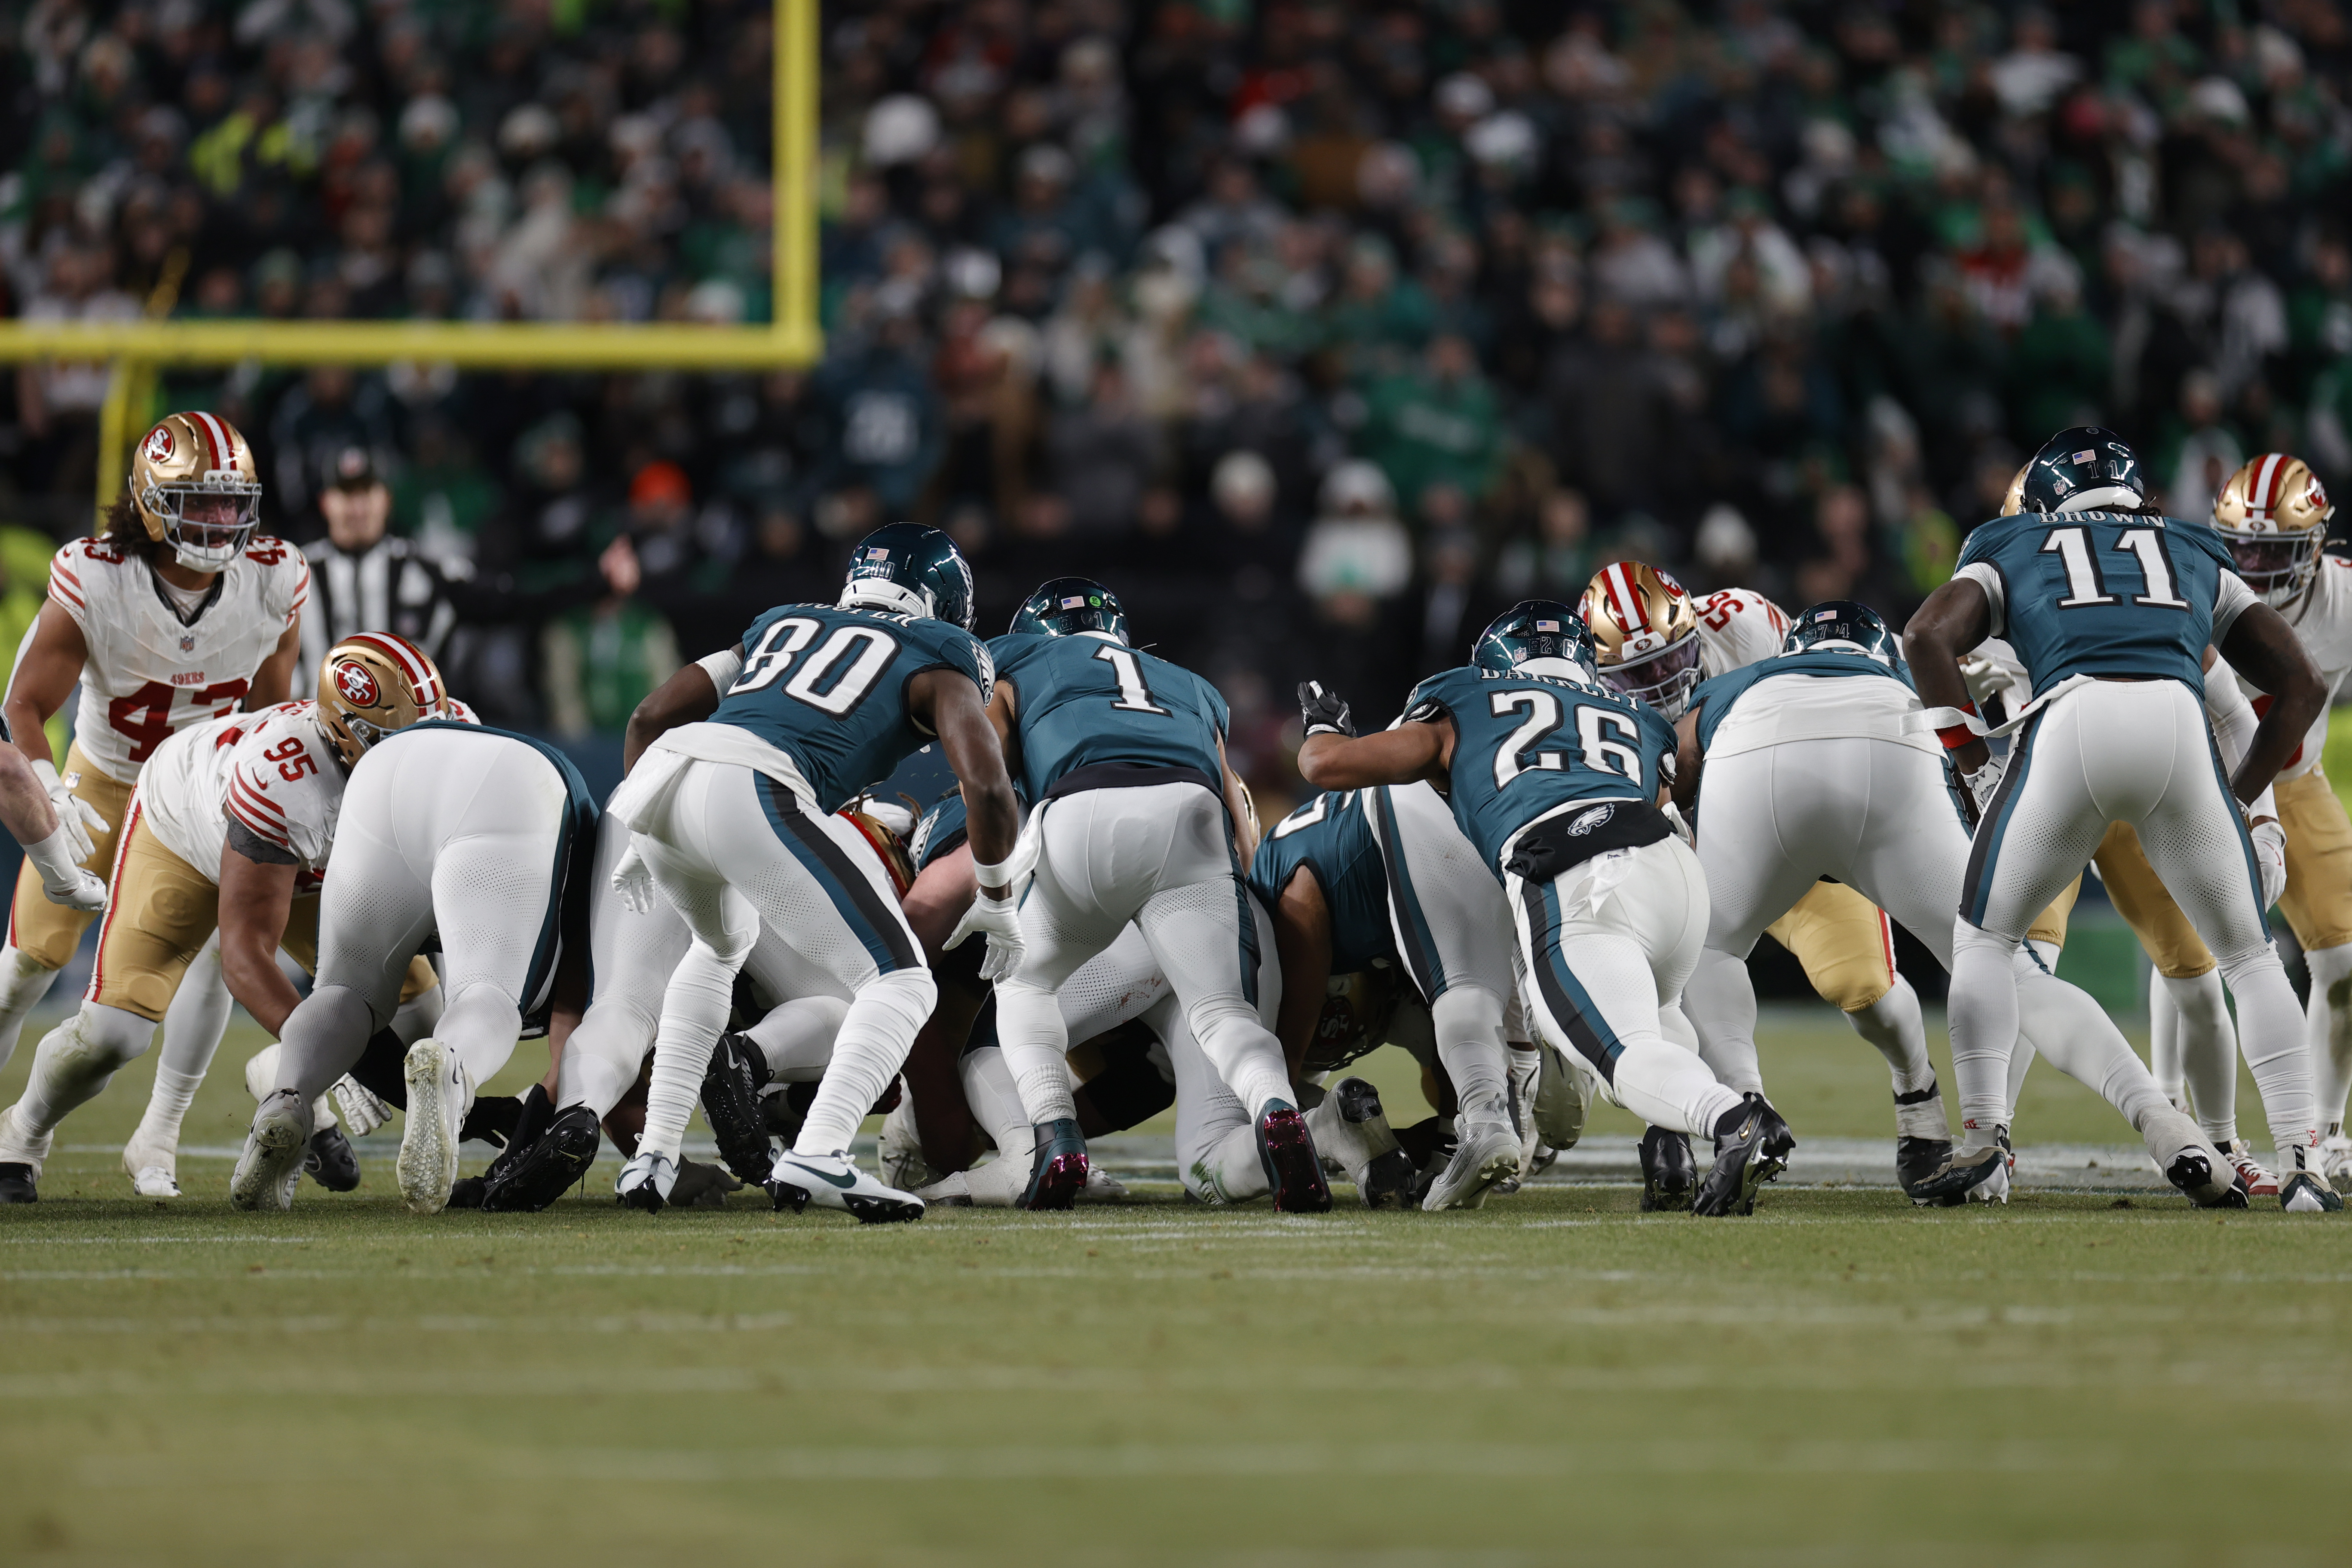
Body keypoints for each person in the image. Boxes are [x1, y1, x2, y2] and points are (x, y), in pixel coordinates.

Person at [1675, 600, 2241, 1207]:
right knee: (2004, 964)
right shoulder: (1908, 674)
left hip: (1757, 753)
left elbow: (1676, 770)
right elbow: (1973, 766)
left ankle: (1745, 1107)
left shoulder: (1738, 681)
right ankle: (2160, 1119)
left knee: (1704, 950)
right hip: (1894, 745)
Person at [1904, 426, 2336, 1211]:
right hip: (2177, 724)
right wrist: (2244, 802)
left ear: (2046, 501)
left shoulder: (2013, 540)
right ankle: (2305, 1161)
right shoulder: (2192, 547)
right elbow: (2299, 684)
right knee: (2248, 956)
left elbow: (1924, 635)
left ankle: (1986, 1136)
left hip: (2070, 726)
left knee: (1984, 938)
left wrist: (1976, 768)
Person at [1296, 601, 1795, 1217]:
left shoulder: (1465, 695)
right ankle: (1670, 1143)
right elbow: (1669, 794)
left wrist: (1323, 726)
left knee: (1626, 1055)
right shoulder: (1635, 712)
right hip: (1677, 878)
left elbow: (1327, 767)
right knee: (1659, 1016)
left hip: (1578, 878)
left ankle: (1735, 1120)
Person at [600, 522, 1020, 1222]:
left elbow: (649, 716)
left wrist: (643, 826)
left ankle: (655, 1156)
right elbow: (986, 786)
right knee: (902, 980)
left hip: (667, 779)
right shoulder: (945, 648)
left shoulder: (783, 623)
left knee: (718, 947)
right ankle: (822, 1152)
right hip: (757, 784)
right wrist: (1000, 896)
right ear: (942, 600)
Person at [0, 635, 447, 1204]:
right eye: (391, 743)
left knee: (419, 1012)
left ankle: (274, 1073)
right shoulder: (287, 782)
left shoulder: (446, 738)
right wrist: (330, 1062)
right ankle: (22, 1133)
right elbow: (245, 958)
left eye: (428, 737)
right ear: (344, 734)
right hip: (186, 828)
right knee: (115, 1032)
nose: (417, 758)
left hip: (315, 857)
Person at [1584, 561, 1948, 1178]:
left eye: (1669, 662)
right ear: (1599, 673)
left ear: (1696, 630)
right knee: (1666, 967)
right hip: (1682, 849)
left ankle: (1917, 1092)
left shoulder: (1745, 624)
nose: (1659, 685)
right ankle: (1734, 1106)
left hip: (1780, 829)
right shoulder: (1584, 697)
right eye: (1636, 675)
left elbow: (1819, 705)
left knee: (1860, 986)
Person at [983, 577, 1329, 1213]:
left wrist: (993, 876)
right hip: (1192, 820)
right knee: (1224, 1011)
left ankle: (1057, 1134)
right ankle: (1277, 1109)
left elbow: (986, 767)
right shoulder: (1189, 683)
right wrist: (1242, 906)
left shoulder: (1015, 659)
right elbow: (1241, 811)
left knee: (1024, 989)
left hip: (1083, 805)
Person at [231, 654, 599, 1214]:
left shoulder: (334, 746)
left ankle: (287, 1099)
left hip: (380, 776)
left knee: (344, 990)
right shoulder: (604, 853)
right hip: (514, 782)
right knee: (487, 991)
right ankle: (447, 1065)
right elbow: (580, 990)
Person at [0, 413, 308, 1075]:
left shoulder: (273, 577)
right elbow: (23, 703)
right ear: (152, 501)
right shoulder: (99, 575)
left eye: (233, 501)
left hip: (200, 799)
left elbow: (268, 717)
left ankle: (157, 1137)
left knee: (214, 958)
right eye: (202, 502)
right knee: (27, 967)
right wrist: (49, 786)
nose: (222, 519)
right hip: (106, 783)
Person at [2206, 454, 2352, 1182]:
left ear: (2318, 544)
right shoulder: (2199, 585)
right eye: (2246, 547)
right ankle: (2189, 1115)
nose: (2257, 565)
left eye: (2275, 549)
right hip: (2199, 784)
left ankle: (2325, 1131)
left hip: (2294, 782)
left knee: (2347, 963)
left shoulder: (2345, 599)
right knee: (2190, 958)